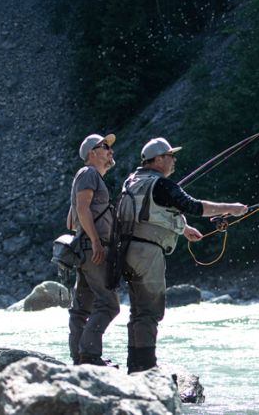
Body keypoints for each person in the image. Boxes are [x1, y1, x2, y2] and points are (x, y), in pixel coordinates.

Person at [123, 137, 248, 373]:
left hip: (127, 251)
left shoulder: (132, 181)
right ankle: (146, 366)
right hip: (149, 252)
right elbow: (195, 206)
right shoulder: (161, 184)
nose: (174, 160)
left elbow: (150, 213)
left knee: (138, 310)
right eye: (171, 156)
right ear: (158, 159)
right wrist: (230, 208)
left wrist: (184, 229)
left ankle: (135, 363)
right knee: (150, 310)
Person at [66, 133, 120, 366]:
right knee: (109, 304)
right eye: (105, 147)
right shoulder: (89, 174)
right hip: (93, 249)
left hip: (84, 249)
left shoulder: (86, 177)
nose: (110, 151)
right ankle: (89, 354)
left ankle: (80, 357)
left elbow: (70, 221)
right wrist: (97, 241)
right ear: (92, 153)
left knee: (82, 307)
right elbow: (81, 208)